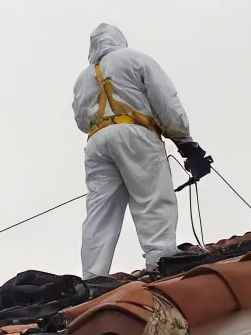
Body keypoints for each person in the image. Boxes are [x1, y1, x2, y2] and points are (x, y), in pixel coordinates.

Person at [71, 22, 212, 278]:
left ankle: (93, 276)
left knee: (100, 209)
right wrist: (185, 141)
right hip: (134, 133)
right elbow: (164, 99)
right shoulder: (133, 58)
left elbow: (81, 121)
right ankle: (161, 256)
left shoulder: (83, 78)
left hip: (96, 142)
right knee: (151, 195)